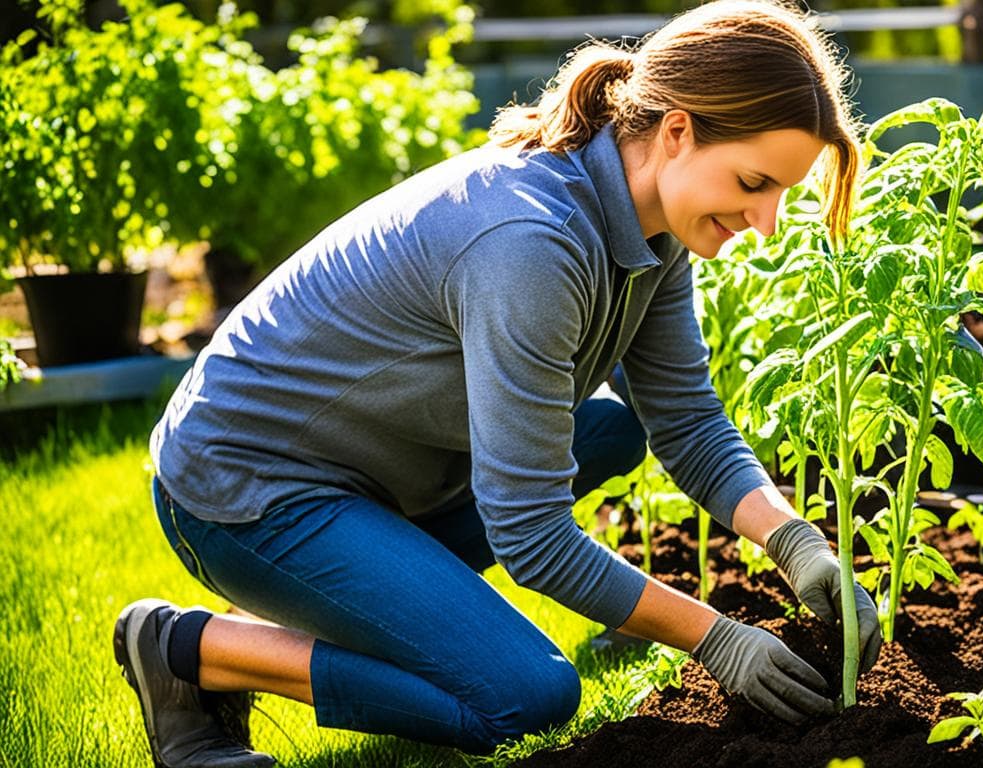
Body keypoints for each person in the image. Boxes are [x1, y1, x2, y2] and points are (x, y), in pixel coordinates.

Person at [114, 1, 882, 765]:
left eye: (782, 192)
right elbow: (532, 537)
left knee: (612, 427)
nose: (768, 220)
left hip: (367, 477)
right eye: (755, 181)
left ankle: (350, 592)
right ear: (677, 131)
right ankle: (188, 650)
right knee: (524, 696)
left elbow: (686, 419)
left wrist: (796, 544)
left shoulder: (656, 229)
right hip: (243, 487)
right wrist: (715, 638)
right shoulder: (529, 245)